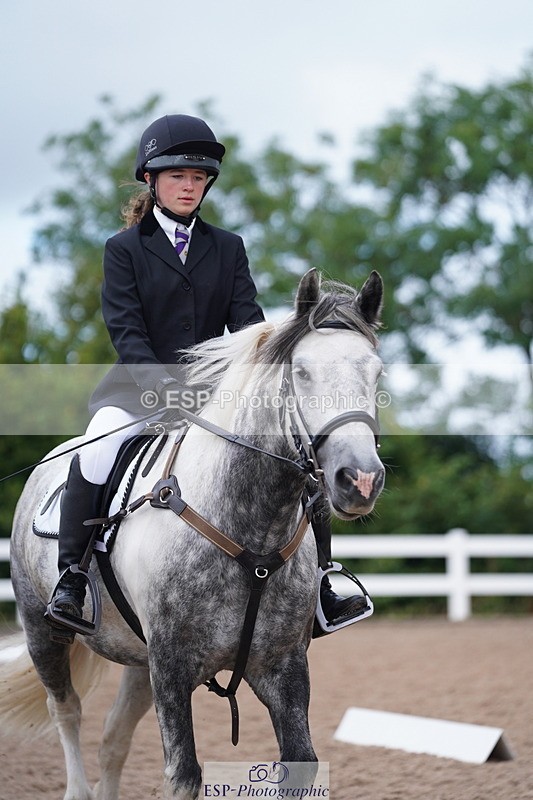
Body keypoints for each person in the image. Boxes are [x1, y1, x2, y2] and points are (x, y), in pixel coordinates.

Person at [45, 113, 365, 640]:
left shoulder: (228, 246)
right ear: (152, 181)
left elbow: (247, 323)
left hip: (219, 393)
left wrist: (260, 379)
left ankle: (325, 581)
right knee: (96, 449)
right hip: (137, 389)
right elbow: (126, 332)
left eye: (197, 178)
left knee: (298, 452)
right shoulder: (122, 250)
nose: (189, 186)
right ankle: (72, 577)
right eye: (177, 177)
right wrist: (165, 388)